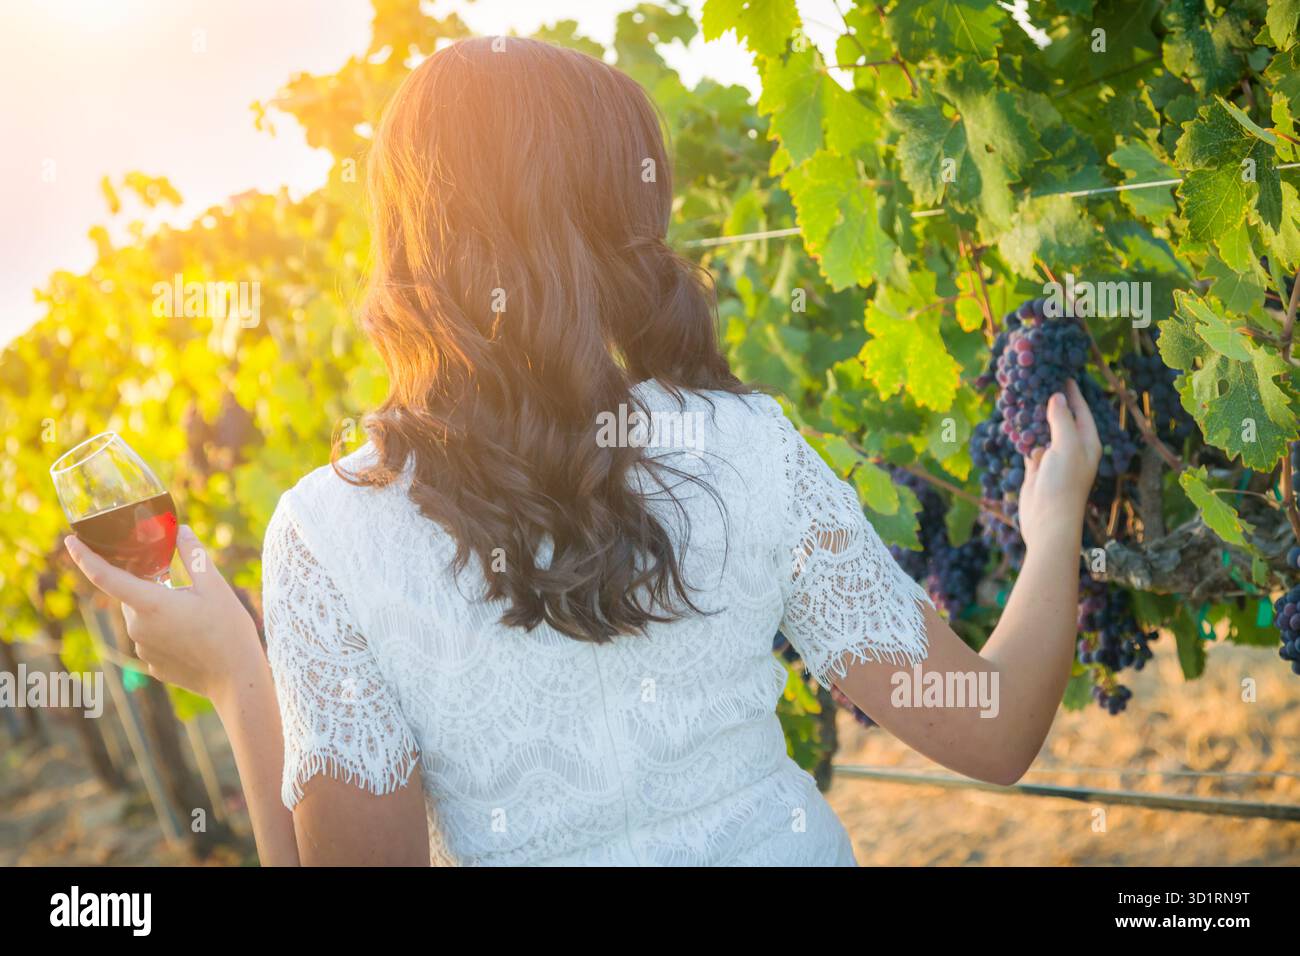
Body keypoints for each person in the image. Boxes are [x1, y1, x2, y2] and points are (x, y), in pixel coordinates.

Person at [66, 37, 1101, 866]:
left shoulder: (331, 527)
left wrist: (236, 679)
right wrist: (1052, 526)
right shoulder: (740, 442)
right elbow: (994, 727)